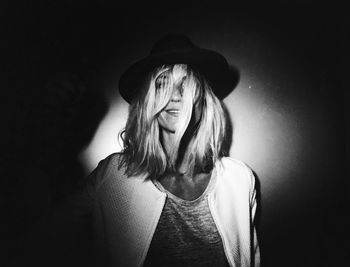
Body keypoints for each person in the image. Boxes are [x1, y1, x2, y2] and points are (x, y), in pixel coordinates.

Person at [27, 34, 259, 267]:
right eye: (162, 84)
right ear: (147, 100)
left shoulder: (239, 180)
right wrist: (48, 127)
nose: (175, 96)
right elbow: (40, 237)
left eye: (186, 84)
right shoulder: (113, 175)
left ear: (204, 99)